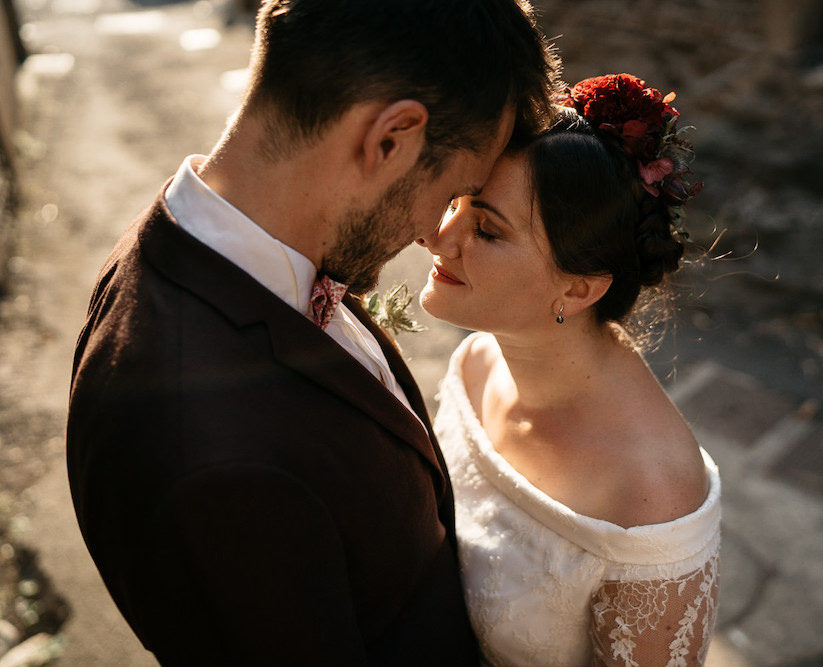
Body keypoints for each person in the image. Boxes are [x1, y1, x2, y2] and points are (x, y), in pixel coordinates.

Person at [65, 0, 556, 663]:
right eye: (450, 195)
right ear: (390, 139)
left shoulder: (230, 241)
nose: (432, 235)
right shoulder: (215, 464)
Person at [417, 74, 720, 666]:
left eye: (485, 228)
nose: (437, 235)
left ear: (577, 288)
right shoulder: (479, 362)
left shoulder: (651, 499)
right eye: (455, 202)